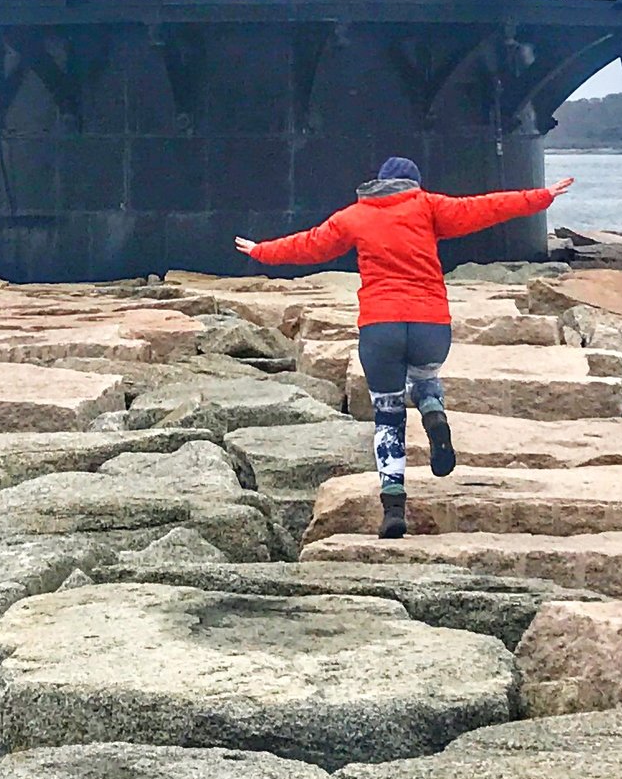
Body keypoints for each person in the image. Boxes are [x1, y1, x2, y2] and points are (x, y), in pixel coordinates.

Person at [234, 155, 572, 536]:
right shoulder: (428, 206)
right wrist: (541, 196)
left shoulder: (354, 216)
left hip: (381, 327)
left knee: (388, 414)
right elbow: (485, 207)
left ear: (379, 183)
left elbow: (310, 245)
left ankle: (393, 507)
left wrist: (262, 250)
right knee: (426, 377)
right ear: (413, 184)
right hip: (430, 323)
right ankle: (433, 413)